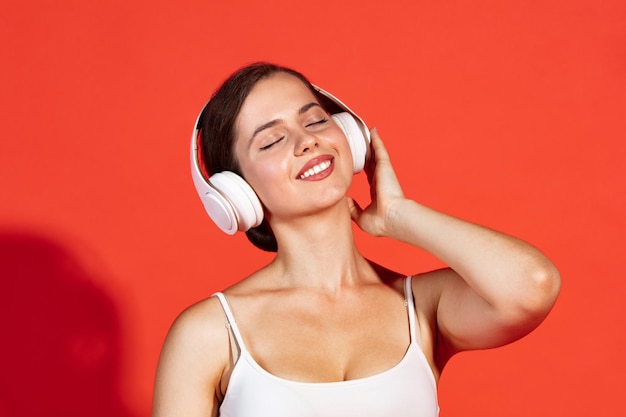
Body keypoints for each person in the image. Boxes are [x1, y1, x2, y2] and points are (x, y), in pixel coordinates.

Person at [152, 62, 561, 417]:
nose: (307, 141)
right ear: (235, 194)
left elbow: (532, 286)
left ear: (351, 137)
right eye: (272, 140)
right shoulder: (209, 331)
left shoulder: (420, 307)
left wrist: (401, 217)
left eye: (315, 121)